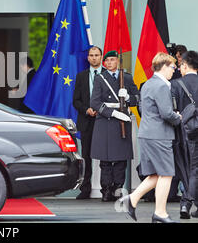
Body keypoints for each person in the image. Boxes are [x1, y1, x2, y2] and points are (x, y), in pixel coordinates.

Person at [120, 52, 182, 223]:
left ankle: (131, 200)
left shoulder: (147, 84)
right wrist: (179, 117)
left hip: (148, 134)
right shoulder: (162, 86)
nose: (174, 70)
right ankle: (160, 213)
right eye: (172, 67)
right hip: (159, 135)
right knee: (167, 173)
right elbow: (167, 113)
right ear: (163, 66)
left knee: (156, 174)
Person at [90, 50, 139, 202]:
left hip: (122, 122)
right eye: (107, 60)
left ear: (117, 61)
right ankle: (106, 190)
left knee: (120, 160)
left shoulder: (127, 78)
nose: (110, 63)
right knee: (105, 160)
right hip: (106, 121)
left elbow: (137, 98)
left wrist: (129, 97)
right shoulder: (100, 79)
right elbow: (95, 103)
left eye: (112, 60)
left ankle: (117, 188)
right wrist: (113, 113)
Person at [73, 46, 104, 199]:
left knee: (106, 154)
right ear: (88, 58)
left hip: (104, 120)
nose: (93, 58)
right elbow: (75, 101)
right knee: (86, 155)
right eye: (91, 55)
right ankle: (85, 188)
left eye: (96, 55)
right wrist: (87, 109)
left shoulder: (108, 75)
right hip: (86, 120)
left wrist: (101, 109)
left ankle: (107, 188)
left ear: (101, 57)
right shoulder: (81, 76)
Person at [171, 50, 198, 219]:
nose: (179, 68)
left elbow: (171, 111)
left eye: (180, 65)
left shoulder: (176, 84)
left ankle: (185, 203)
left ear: (185, 65)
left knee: (187, 169)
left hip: (184, 133)